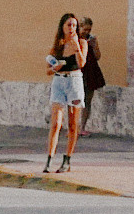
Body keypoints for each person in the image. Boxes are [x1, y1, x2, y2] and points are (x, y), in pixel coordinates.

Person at [44, 12, 87, 173]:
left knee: (73, 124)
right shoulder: (58, 45)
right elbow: (48, 70)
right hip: (59, 82)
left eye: (74, 25)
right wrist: (55, 68)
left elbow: (82, 63)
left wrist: (76, 47)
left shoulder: (81, 43)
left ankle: (67, 159)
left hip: (74, 81)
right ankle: (49, 158)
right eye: (69, 25)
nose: (72, 28)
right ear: (62, 27)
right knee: (56, 123)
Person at [78, 16, 107, 125]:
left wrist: (94, 46)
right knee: (75, 101)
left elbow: (98, 56)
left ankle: (82, 127)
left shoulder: (91, 39)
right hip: (78, 72)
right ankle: (74, 127)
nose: (86, 32)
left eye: (89, 30)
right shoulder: (75, 39)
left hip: (90, 71)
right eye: (84, 29)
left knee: (87, 101)